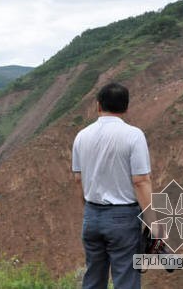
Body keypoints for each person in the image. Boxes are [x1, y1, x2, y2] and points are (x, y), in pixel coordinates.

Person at [72, 82, 153, 289]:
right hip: (122, 218)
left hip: (91, 216)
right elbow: (141, 181)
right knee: (126, 278)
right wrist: (154, 223)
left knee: (93, 278)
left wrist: (90, 210)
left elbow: (78, 179)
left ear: (98, 106)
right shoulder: (134, 135)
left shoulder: (81, 136)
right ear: (126, 108)